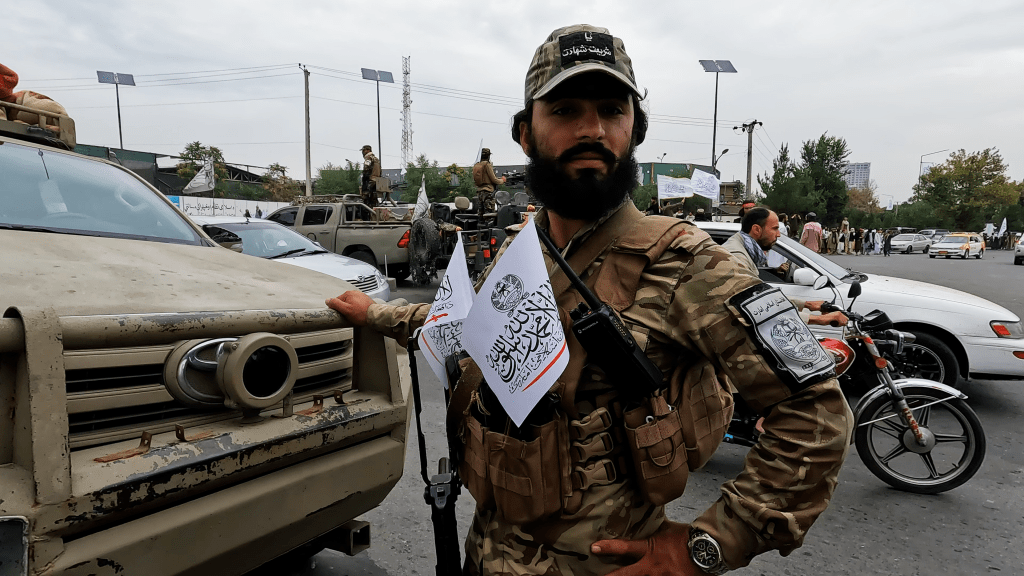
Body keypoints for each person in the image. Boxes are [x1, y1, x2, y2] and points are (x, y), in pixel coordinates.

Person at [326, 24, 851, 576]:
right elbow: (462, 326)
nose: (592, 129)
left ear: (634, 129)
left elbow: (815, 411)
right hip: (486, 554)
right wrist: (373, 313)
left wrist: (707, 546)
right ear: (525, 133)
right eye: (565, 110)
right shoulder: (522, 252)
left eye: (611, 110)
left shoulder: (689, 262)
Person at [723, 208, 849, 327]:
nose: (778, 235)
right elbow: (756, 306)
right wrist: (819, 319)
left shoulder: (746, 249)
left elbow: (762, 296)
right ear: (757, 230)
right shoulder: (737, 257)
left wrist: (807, 304)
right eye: (775, 229)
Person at [473, 147, 506, 220]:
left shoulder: (477, 165)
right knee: (490, 215)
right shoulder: (487, 165)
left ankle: (481, 226)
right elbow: (494, 179)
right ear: (488, 156)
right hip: (488, 192)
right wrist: (502, 180)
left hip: (480, 192)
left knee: (481, 214)